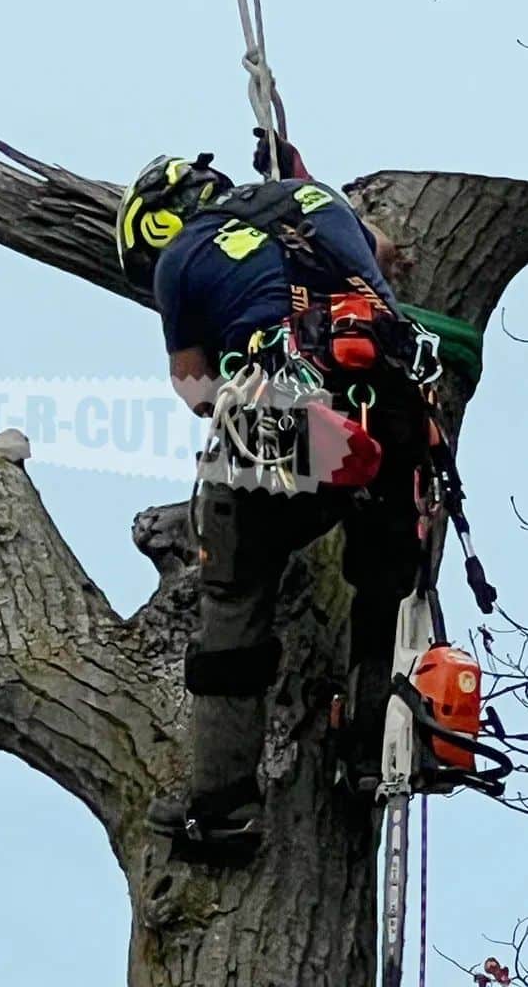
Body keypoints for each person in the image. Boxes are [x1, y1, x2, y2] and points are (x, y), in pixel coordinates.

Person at [116, 130, 432, 849]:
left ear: (154, 225)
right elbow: (382, 252)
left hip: (285, 396)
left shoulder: (181, 257)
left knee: (233, 587)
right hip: (390, 391)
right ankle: (365, 754)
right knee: (381, 584)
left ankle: (223, 808)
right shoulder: (314, 200)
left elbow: (194, 385)